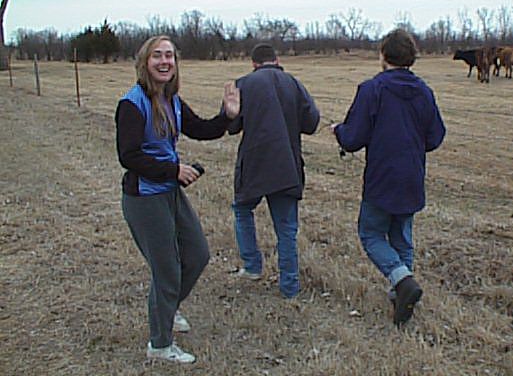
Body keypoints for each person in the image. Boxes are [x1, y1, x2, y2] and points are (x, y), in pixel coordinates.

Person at [115, 35, 240, 363]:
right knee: (166, 269)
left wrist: (227, 116)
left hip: (169, 192)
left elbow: (201, 128)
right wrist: (173, 170)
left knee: (197, 254)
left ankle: (166, 309)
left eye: (169, 55)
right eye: (157, 55)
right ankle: (159, 345)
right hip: (143, 198)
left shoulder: (171, 100)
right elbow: (128, 156)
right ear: (145, 62)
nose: (164, 61)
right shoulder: (132, 104)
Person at [332, 29, 446, 327]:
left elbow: (353, 138)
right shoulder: (424, 91)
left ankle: (402, 282)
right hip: (411, 176)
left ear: (383, 56)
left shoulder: (372, 89)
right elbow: (435, 137)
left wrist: (338, 132)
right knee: (401, 237)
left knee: (370, 234)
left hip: (382, 177)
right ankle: (402, 296)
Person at [228, 43, 320, 299]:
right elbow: (312, 123)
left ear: (253, 63)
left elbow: (232, 125)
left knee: (242, 210)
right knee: (287, 229)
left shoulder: (243, 84)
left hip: (254, 165)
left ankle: (252, 266)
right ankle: (289, 288)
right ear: (277, 60)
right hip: (287, 166)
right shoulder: (294, 84)